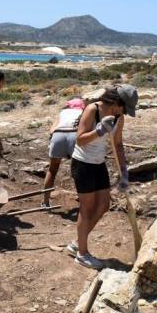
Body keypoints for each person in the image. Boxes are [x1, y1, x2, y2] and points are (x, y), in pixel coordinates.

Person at [66, 85, 138, 269]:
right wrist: (99, 131)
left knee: (104, 204)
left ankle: (77, 243)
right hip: (82, 163)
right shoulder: (93, 109)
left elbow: (118, 144)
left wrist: (124, 171)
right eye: (124, 108)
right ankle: (82, 254)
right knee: (87, 208)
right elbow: (80, 140)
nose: (125, 113)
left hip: (98, 163)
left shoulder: (119, 117)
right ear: (116, 103)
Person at [42, 97, 86, 207]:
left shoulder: (63, 112)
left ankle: (45, 202)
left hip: (58, 134)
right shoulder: (83, 112)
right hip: (74, 134)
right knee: (79, 170)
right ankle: (84, 201)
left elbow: (52, 129)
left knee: (52, 170)